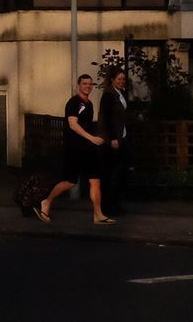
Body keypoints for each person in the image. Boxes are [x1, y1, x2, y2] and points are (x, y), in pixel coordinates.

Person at [35, 74, 114, 225]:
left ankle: (98, 215)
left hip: (89, 149)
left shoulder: (89, 104)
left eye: (90, 84)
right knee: (70, 182)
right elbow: (73, 124)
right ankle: (46, 202)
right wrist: (91, 138)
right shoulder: (73, 102)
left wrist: (99, 136)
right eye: (85, 83)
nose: (88, 86)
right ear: (79, 85)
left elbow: (87, 124)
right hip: (75, 148)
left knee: (95, 181)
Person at [98, 68, 130, 217]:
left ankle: (117, 204)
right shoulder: (109, 95)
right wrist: (112, 139)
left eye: (123, 79)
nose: (121, 81)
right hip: (114, 139)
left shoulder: (121, 94)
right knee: (111, 174)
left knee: (121, 172)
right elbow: (108, 118)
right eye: (119, 79)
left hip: (122, 137)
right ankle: (107, 206)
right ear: (112, 80)